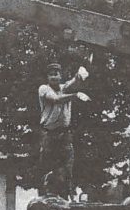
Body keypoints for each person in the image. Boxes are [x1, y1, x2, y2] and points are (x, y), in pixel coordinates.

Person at [37, 61, 91, 197]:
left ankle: (66, 197)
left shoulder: (64, 87)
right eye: (51, 75)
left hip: (65, 134)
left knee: (67, 169)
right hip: (49, 134)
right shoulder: (44, 89)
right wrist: (76, 95)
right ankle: (45, 199)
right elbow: (56, 99)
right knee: (48, 167)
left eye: (56, 74)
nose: (54, 77)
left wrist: (81, 74)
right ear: (47, 78)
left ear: (60, 76)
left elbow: (72, 83)